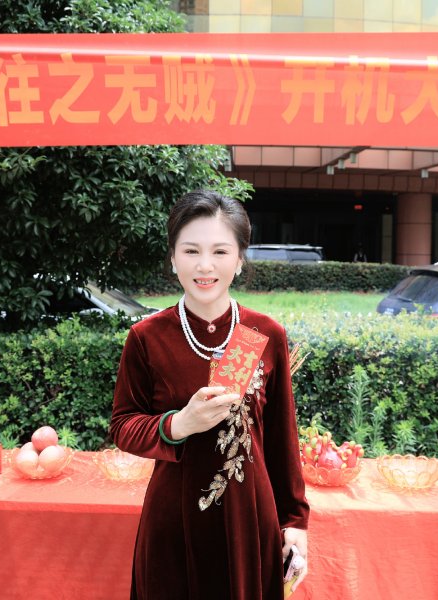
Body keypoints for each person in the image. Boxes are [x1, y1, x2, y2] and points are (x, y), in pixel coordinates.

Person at [110, 189, 310, 600]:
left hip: (249, 520)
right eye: (191, 251)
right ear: (172, 257)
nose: (205, 265)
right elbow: (123, 426)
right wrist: (178, 424)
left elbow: (281, 439)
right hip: (173, 522)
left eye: (220, 251)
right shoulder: (146, 337)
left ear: (239, 260)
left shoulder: (265, 334)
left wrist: (295, 523)